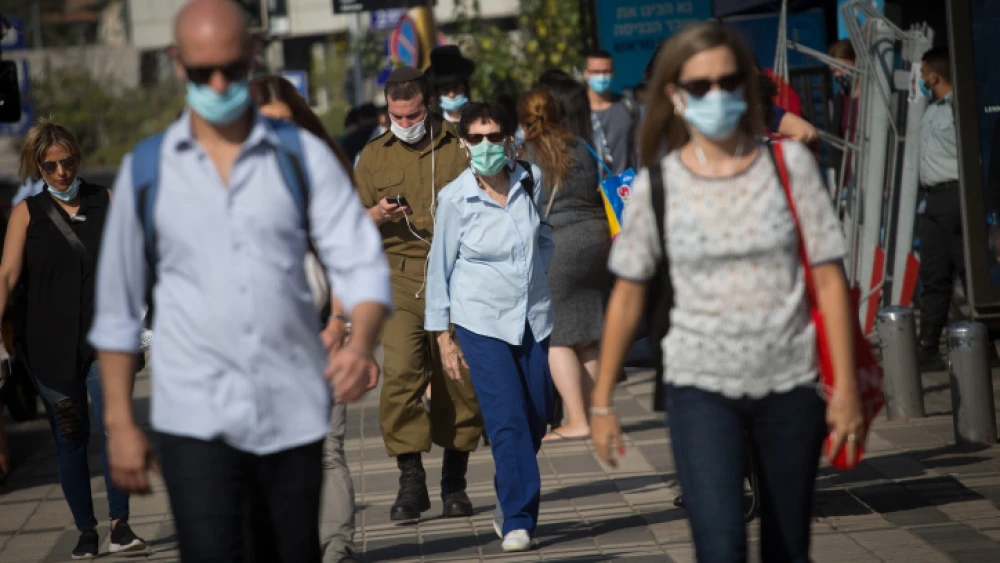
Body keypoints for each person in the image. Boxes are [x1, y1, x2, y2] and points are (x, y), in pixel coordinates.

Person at [88, 2, 391, 562]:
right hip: (195, 421)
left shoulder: (302, 159)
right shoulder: (148, 169)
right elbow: (117, 305)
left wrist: (361, 338)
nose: (220, 83)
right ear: (178, 65)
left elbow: (362, 260)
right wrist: (119, 422)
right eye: (205, 72)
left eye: (231, 66)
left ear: (253, 55)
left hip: (292, 414)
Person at [591, 22, 864, 562]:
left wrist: (847, 388)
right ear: (674, 96)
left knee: (788, 546)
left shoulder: (790, 168)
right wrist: (600, 401)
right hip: (699, 387)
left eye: (728, 82)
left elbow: (830, 281)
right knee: (719, 545)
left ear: (747, 86)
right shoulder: (657, 185)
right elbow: (627, 295)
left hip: (790, 383)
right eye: (699, 87)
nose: (716, 96)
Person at [0, 120, 145, 558]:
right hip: (47, 344)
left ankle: (120, 525)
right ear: (39, 168)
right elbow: (6, 274)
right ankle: (86, 530)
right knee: (70, 436)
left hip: (106, 339)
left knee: (113, 423)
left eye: (68, 162)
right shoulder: (26, 214)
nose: (62, 173)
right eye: (51, 166)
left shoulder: (108, 200)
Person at [354, 66, 484, 522]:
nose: (404, 125)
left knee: (459, 380)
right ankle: (411, 483)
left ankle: (455, 481)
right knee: (403, 378)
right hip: (400, 277)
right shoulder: (373, 156)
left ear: (427, 106)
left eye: (411, 116)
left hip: (458, 278)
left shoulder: (459, 146)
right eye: (395, 116)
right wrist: (377, 213)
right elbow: (351, 226)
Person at [425, 101, 553, 552]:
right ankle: (519, 519)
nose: (484, 146)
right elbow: (437, 270)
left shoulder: (529, 180)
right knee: (508, 422)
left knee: (537, 418)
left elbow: (545, 238)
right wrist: (444, 339)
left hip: (533, 318)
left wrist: (541, 279)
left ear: (509, 140)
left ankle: (508, 491)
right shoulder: (455, 198)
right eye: (475, 138)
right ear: (463, 144)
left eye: (493, 136)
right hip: (480, 322)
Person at [250, 74, 361, 563]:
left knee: (327, 446)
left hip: (321, 331)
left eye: (285, 124)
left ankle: (336, 547)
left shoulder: (322, 176)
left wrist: (341, 327)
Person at [518, 89, 609, 442]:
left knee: (555, 337)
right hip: (597, 240)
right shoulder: (582, 145)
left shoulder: (526, 154)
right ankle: (597, 412)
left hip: (559, 247)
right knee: (586, 336)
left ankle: (576, 419)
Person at [916, 46, 962, 370]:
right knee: (933, 274)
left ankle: (982, 342)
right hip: (930, 200)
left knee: (964, 272)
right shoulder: (930, 109)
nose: (920, 78)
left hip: (955, 195)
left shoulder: (959, 109)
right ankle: (928, 346)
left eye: (922, 72)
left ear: (934, 76)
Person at [584, 50, 638, 176]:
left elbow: (638, 148)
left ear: (613, 73)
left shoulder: (627, 107)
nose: (601, 76)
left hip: (625, 189)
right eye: (596, 72)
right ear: (586, 74)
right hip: (591, 190)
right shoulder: (578, 111)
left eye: (606, 71)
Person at [427, 45, 475, 125]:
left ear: (464, 87)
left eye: (456, 87)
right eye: (445, 90)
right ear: (437, 92)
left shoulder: (480, 119)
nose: (452, 94)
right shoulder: (430, 126)